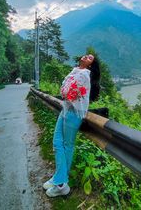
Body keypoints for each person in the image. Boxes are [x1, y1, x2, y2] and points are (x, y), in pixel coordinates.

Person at [43, 54, 101, 197]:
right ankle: (60, 179)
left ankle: (61, 184)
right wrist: (65, 87)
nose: (86, 56)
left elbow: (66, 92)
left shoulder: (84, 75)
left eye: (90, 58)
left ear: (90, 65)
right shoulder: (76, 71)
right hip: (66, 110)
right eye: (87, 55)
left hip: (73, 113)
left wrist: (66, 86)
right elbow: (63, 89)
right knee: (58, 143)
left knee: (66, 145)